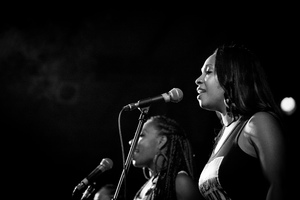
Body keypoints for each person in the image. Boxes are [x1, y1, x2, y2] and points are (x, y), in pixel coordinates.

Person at [195, 43, 287, 200]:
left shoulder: (258, 123)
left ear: (233, 76)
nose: (198, 80)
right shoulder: (222, 137)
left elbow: (281, 185)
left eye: (208, 72)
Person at [129, 115, 202, 200]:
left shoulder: (180, 182)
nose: (131, 142)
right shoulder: (149, 184)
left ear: (161, 141)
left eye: (141, 135)